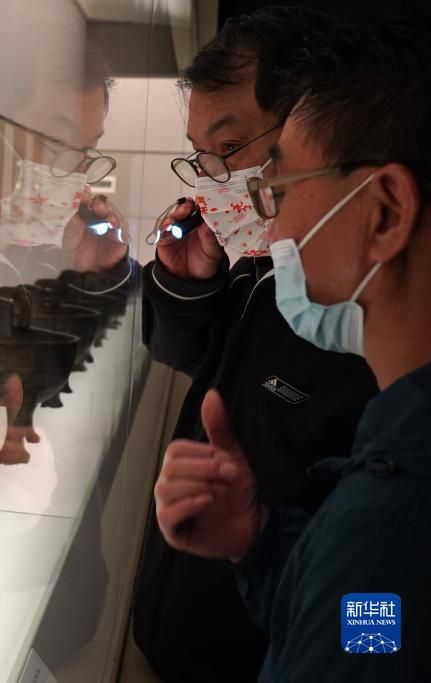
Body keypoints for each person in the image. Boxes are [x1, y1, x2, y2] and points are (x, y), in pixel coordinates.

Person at [155, 11, 431, 680]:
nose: (270, 220)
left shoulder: (391, 519)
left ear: (386, 212)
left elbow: (366, 628)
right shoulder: (384, 493)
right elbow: (360, 623)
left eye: (277, 187)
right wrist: (256, 542)